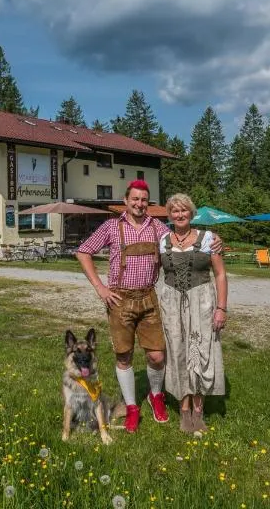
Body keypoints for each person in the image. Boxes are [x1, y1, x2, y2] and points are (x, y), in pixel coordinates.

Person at [76, 180, 222, 433]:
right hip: (120, 299)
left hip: (149, 297)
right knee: (124, 355)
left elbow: (183, 237)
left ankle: (156, 396)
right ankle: (132, 406)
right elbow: (83, 251)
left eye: (144, 200)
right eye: (135, 199)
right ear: (126, 200)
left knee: (157, 355)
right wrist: (100, 288)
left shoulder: (158, 229)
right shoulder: (112, 226)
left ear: (148, 203)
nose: (139, 204)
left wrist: (215, 240)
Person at [158, 193, 227, 435]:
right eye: (174, 211)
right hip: (171, 304)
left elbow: (219, 274)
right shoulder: (162, 240)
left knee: (200, 353)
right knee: (177, 353)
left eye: (183, 210)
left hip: (202, 302)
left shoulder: (208, 238)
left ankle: (199, 412)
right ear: (169, 215)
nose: (179, 215)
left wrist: (221, 308)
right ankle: (184, 411)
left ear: (191, 213)